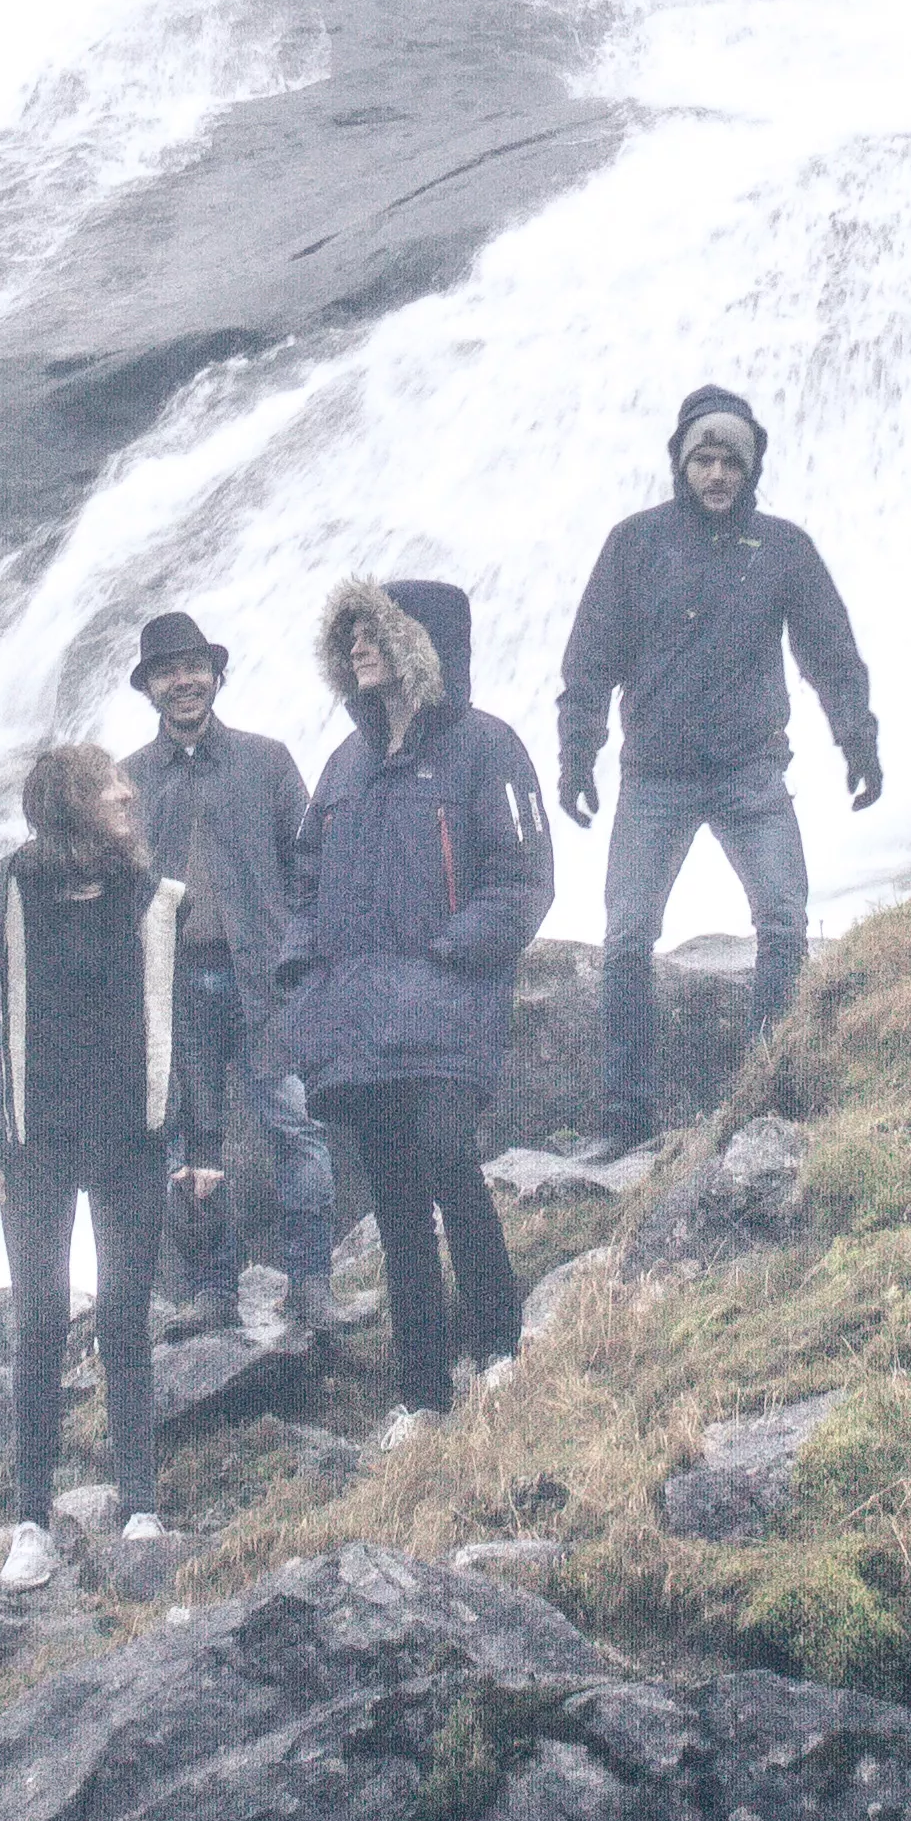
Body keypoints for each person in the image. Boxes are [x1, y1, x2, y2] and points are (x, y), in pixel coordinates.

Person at [555, 386, 879, 1161]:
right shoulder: (634, 544)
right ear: (680, 462)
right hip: (655, 777)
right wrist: (577, 752)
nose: (717, 473)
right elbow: (591, 656)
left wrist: (857, 740)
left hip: (750, 772)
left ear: (752, 468)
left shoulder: (783, 549)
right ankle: (624, 1114)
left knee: (782, 922)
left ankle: (769, 1092)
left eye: (732, 459)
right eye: (703, 457)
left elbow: (829, 651)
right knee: (628, 939)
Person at [275, 577, 552, 1442]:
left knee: (443, 1154)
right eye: (349, 634)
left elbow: (525, 880)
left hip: (446, 1008)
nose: (358, 646)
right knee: (394, 1197)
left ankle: (500, 1347)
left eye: (376, 632)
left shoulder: (486, 748)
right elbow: (305, 882)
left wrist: (450, 953)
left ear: (421, 645)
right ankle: (424, 1390)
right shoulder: (343, 766)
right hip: (358, 1022)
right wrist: (303, 968)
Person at [0, 738, 220, 1593]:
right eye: (112, 793)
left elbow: (192, 1030)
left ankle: (140, 1504)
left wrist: (202, 1144)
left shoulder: (155, 902)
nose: (130, 801)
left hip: (129, 1142)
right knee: (36, 1326)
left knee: (125, 1318)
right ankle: (30, 1517)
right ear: (70, 806)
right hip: (34, 1148)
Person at [125, 608, 340, 1341]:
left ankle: (311, 1284)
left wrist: (307, 959)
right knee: (188, 1147)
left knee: (296, 1128)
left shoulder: (268, 761)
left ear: (215, 675)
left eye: (194, 667)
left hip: (267, 984)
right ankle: (212, 1291)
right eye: (167, 671)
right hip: (172, 993)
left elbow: (311, 867)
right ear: (149, 688)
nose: (183, 681)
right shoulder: (127, 782)